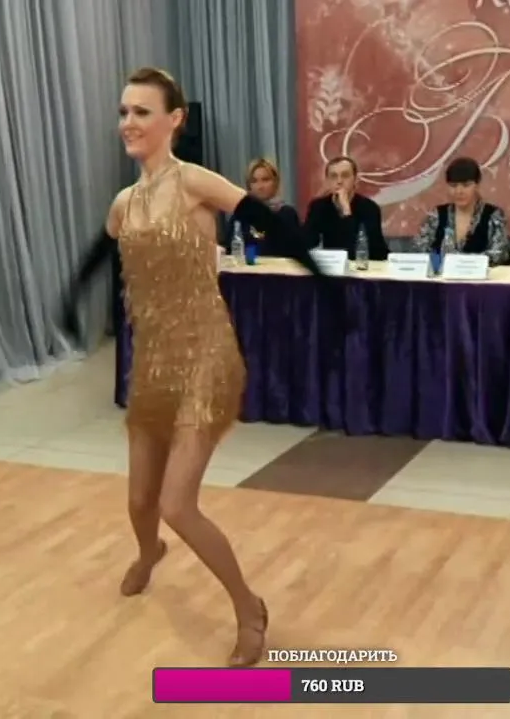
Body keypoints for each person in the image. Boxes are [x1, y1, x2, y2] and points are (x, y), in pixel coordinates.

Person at [59, 67, 338, 667]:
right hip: (152, 362)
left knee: (176, 503)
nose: (128, 122)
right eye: (124, 112)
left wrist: (324, 282)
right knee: (140, 501)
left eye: (141, 111)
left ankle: (249, 607)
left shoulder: (193, 182)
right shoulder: (123, 203)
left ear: (175, 119)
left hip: (207, 355)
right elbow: (101, 253)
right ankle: (149, 552)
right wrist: (70, 299)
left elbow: (268, 220)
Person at [412, 157, 510, 264]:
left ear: (477, 185)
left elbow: (499, 255)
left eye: (466, 185)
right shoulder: (436, 215)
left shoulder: (493, 215)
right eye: (453, 186)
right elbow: (419, 250)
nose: (459, 191)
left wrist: (461, 263)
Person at [302, 156, 389, 260]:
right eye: (333, 176)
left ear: (355, 180)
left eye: (345, 176)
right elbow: (307, 242)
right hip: (331, 264)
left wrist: (346, 211)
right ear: (327, 181)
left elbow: (368, 249)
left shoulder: (369, 208)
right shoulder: (318, 206)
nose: (339, 181)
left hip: (362, 265)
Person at [224, 157, 301, 256]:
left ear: (276, 182)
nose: (260, 186)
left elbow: (295, 252)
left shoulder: (287, 214)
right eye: (254, 181)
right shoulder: (239, 216)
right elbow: (229, 251)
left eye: (265, 180)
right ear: (249, 186)